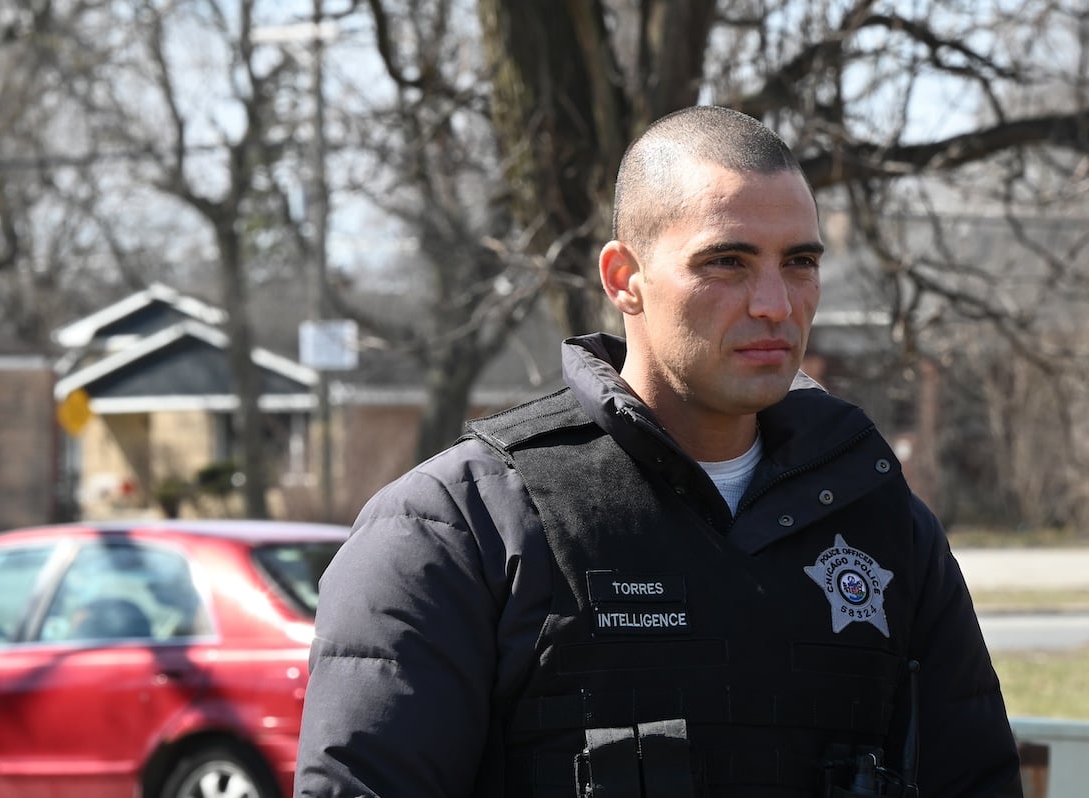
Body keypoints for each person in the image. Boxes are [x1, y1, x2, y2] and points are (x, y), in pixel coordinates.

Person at [294, 106, 1022, 797]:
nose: (775, 303)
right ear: (624, 279)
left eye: (799, 262)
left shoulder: (886, 526)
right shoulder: (457, 526)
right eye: (727, 262)